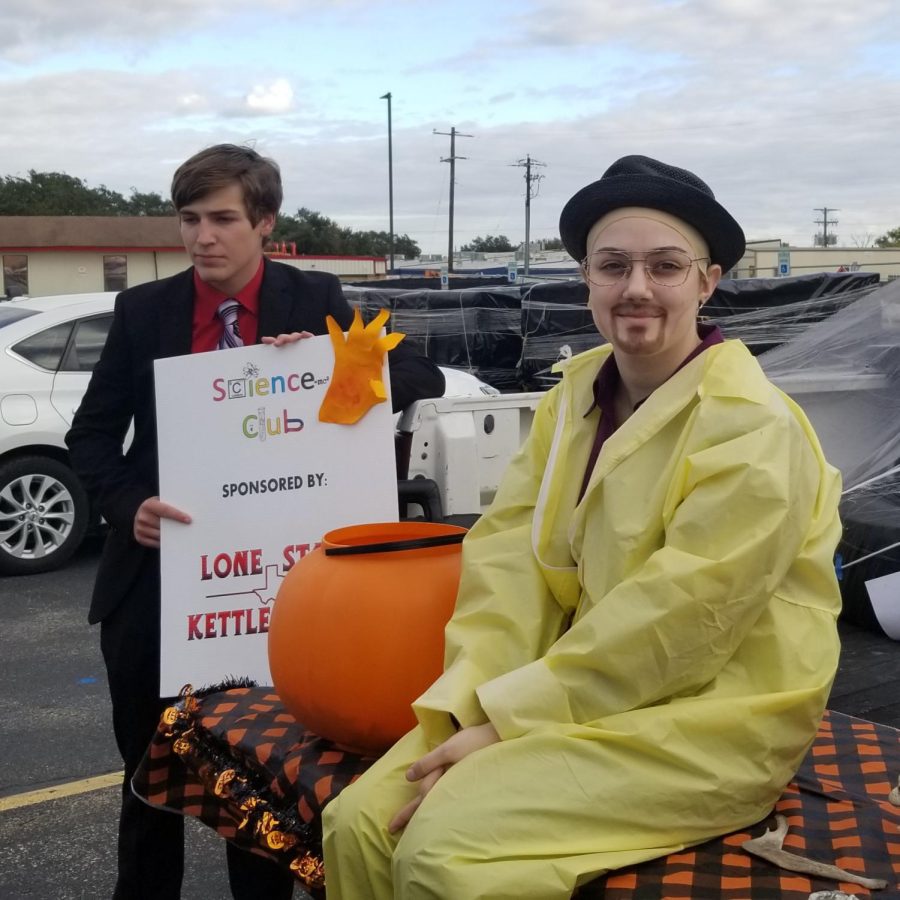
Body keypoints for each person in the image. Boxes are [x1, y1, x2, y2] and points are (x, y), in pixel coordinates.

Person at [321, 155, 843, 899]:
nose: (637, 288)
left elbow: (682, 619)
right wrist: (474, 699)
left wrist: (509, 724)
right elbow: (508, 564)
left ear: (708, 280)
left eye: (665, 265)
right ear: (587, 279)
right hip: (571, 696)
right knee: (359, 825)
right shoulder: (572, 400)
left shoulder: (751, 427)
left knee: (443, 852)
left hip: (709, 719)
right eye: (613, 265)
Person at [65, 143, 444, 900]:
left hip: (278, 595)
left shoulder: (315, 297)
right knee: (148, 786)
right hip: (159, 587)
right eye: (189, 220)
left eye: (223, 219)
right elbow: (91, 436)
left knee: (262, 787)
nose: (203, 237)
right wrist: (126, 503)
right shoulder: (145, 310)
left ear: (265, 222)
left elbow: (417, 374)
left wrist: (328, 366)